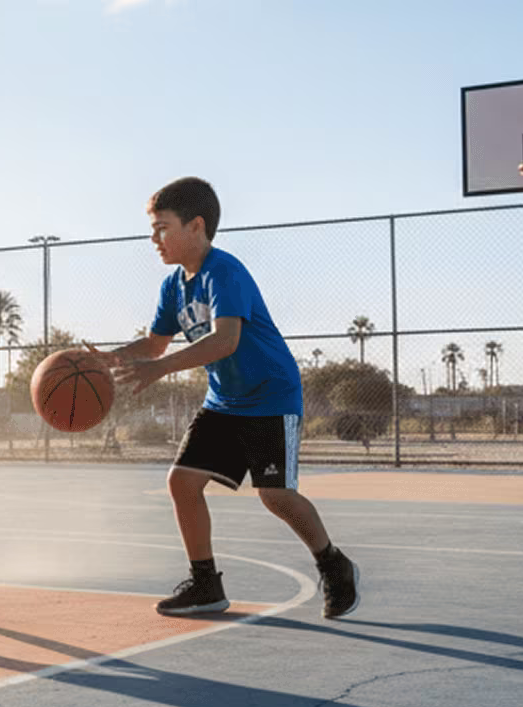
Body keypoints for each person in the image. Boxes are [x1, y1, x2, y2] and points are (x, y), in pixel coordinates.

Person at [85, 177, 359, 619]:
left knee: (275, 496)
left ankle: (333, 563)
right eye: (153, 230)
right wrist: (109, 359)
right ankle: (205, 584)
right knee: (182, 482)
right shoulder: (173, 286)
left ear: (196, 226)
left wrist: (160, 369)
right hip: (224, 401)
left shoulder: (224, 271)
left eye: (162, 228)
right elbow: (154, 344)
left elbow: (225, 340)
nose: (154, 239)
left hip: (270, 396)